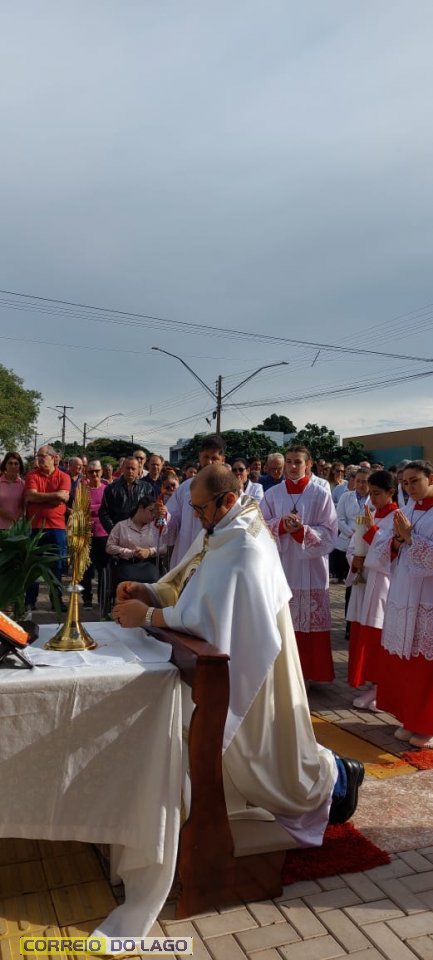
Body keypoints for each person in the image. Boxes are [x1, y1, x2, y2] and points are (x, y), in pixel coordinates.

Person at [113, 465, 364, 847]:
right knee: (251, 754)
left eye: (200, 508)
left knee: (263, 757)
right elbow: (191, 583)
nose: (196, 516)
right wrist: (147, 591)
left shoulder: (245, 544)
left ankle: (337, 781)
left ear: (228, 499)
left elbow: (209, 617)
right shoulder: (221, 528)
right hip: (232, 655)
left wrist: (146, 615)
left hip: (252, 664)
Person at [261, 445, 337, 682]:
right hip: (281, 566)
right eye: (289, 462)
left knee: (310, 623)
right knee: (282, 622)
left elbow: (330, 532)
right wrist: (281, 526)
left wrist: (301, 532)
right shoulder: (272, 494)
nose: (293, 466)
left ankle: (309, 675)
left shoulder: (320, 494)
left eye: (298, 462)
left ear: (308, 464)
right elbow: (259, 526)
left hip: (312, 568)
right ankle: (282, 676)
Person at [376, 461, 433, 747]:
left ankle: (427, 726)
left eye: (415, 481)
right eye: (405, 483)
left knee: (426, 666)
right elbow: (388, 544)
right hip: (404, 592)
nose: (409, 487)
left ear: (430, 479)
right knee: (409, 663)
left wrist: (410, 537)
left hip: (428, 598)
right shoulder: (408, 509)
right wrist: (397, 542)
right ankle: (410, 719)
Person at [346, 470, 397, 710]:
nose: (373, 498)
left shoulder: (398, 518)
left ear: (391, 492)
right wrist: (354, 559)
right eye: (371, 493)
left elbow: (392, 554)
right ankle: (374, 686)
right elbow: (353, 545)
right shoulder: (371, 514)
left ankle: (382, 688)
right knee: (365, 636)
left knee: (379, 637)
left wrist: (371, 531)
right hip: (365, 584)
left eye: (377, 493)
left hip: (384, 587)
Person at [165, 434, 227, 568]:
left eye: (214, 458)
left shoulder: (229, 489)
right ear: (200, 457)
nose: (209, 462)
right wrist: (164, 516)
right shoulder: (185, 488)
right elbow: (173, 519)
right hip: (186, 553)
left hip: (216, 556)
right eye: (206, 457)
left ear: (223, 459)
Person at [24, 445, 71, 611]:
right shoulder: (32, 475)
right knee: (33, 566)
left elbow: (63, 498)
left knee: (57, 567)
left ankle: (56, 601)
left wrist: (40, 497)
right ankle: (30, 601)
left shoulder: (64, 477)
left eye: (42, 456)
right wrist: (55, 496)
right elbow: (31, 496)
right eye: (38, 456)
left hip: (57, 528)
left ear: (53, 457)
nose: (39, 459)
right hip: (35, 527)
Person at [107, 494, 169, 584]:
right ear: (141, 508)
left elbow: (165, 546)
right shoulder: (121, 526)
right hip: (127, 564)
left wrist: (149, 551)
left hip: (149, 564)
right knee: (125, 580)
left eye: (155, 513)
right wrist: (130, 552)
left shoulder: (155, 527)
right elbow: (109, 547)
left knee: (152, 579)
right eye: (151, 511)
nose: (153, 515)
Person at [80, 460, 109, 610]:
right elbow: (79, 508)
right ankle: (87, 599)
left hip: (103, 534)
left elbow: (107, 509)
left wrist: (91, 508)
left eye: (97, 471)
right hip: (86, 534)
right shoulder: (82, 490)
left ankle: (102, 599)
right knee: (86, 569)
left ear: (101, 472)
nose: (94, 474)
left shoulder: (107, 489)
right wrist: (98, 508)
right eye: (91, 472)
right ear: (86, 473)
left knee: (103, 569)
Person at [98, 457, 153, 533]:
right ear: (123, 468)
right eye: (128, 468)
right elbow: (104, 513)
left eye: (133, 469)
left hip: (141, 533)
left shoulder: (147, 488)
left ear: (138, 470)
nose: (130, 471)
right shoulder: (111, 488)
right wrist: (114, 531)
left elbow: (152, 510)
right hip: (119, 533)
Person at [0, 451, 25, 529]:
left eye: (16, 463)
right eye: (10, 463)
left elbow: (25, 505)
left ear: (20, 466)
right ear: (5, 465)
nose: (13, 466)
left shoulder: (24, 485)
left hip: (17, 529)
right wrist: (12, 516)